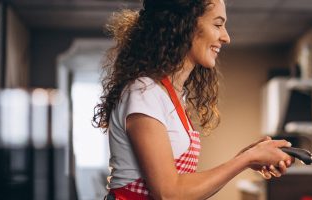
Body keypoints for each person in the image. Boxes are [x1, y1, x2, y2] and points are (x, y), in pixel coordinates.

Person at [92, 0, 294, 199]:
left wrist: (247, 159)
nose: (226, 37)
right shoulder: (144, 93)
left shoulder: (170, 95)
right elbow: (169, 193)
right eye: (217, 24)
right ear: (184, 25)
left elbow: (185, 189)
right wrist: (247, 158)